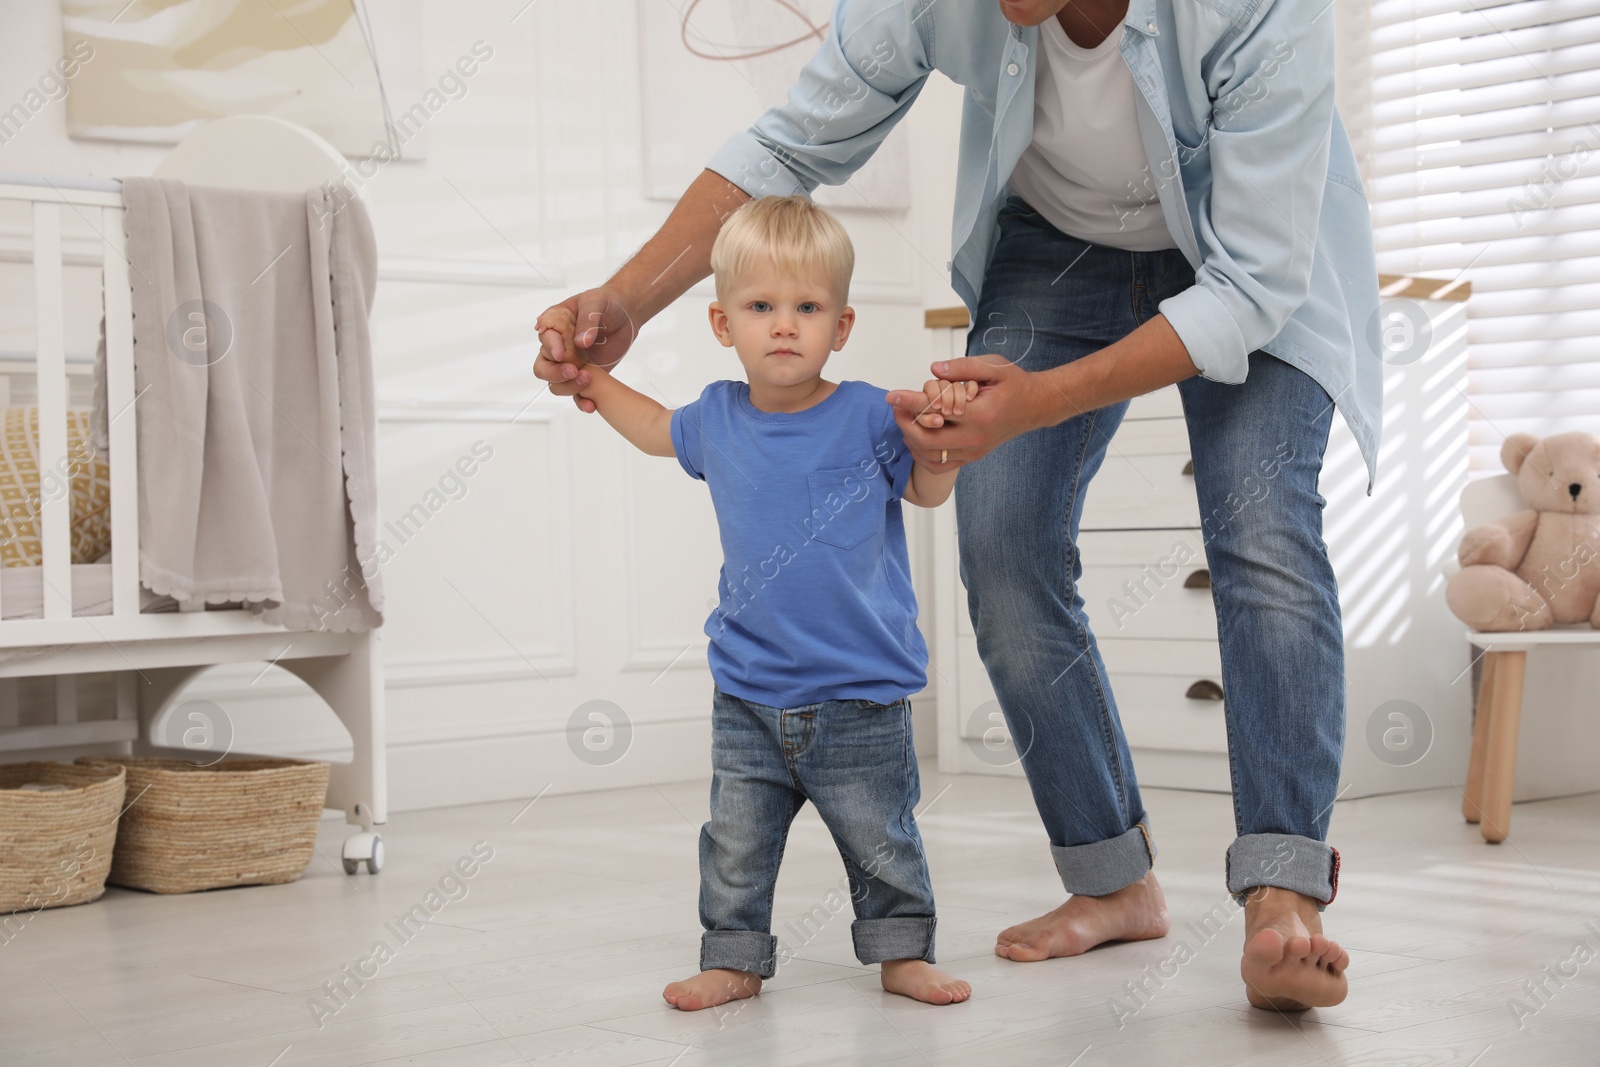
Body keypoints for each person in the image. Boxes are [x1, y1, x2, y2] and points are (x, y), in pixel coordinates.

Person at [535, 0, 1380, 1012]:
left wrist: (1039, 400)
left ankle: (1281, 900)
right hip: (1057, 241)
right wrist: (626, 301)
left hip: (1251, 253)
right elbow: (787, 143)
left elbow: (1253, 284)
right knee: (1003, 538)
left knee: (1260, 528)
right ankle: (1113, 880)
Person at [545, 195, 977, 1011]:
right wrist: (593, 381)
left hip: (862, 692)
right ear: (722, 322)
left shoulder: (870, 414)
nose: (785, 325)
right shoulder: (716, 418)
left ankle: (901, 952)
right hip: (748, 690)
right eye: (761, 307)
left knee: (884, 839)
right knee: (736, 842)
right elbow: (651, 426)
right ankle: (734, 956)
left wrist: (941, 447)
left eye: (807, 308)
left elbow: (926, 491)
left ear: (841, 326)